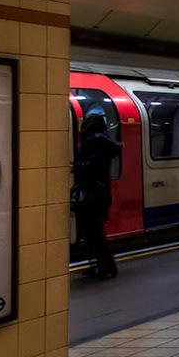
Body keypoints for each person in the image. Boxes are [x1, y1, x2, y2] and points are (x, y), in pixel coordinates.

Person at [72, 114, 120, 278]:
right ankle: (101, 265)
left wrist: (76, 166)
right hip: (99, 193)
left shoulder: (93, 140)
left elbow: (92, 166)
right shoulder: (102, 139)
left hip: (92, 193)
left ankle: (106, 267)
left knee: (94, 233)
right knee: (94, 232)